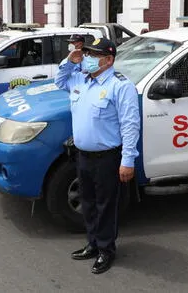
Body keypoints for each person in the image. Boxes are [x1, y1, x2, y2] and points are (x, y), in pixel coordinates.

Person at [55, 38, 140, 274]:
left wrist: (128, 160)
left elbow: (130, 125)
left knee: (106, 206)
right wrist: (69, 61)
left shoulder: (120, 86)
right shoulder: (80, 78)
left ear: (109, 59)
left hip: (107, 157)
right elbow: (59, 80)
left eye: (94, 55)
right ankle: (92, 243)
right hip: (82, 155)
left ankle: (106, 250)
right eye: (87, 53)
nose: (88, 58)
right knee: (88, 203)